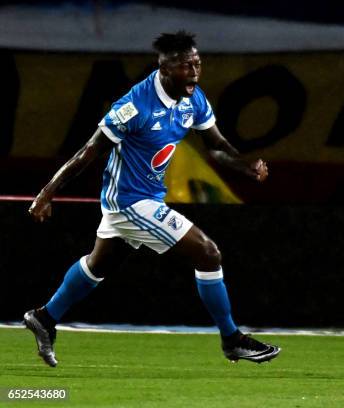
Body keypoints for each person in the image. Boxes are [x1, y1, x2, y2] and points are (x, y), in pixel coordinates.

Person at [24, 31, 280, 367]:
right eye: (187, 66)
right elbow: (88, 152)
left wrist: (244, 164)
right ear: (166, 68)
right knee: (208, 253)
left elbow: (216, 146)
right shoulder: (135, 106)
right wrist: (46, 193)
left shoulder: (194, 98)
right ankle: (232, 338)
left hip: (144, 197)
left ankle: (44, 317)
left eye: (198, 64)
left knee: (100, 264)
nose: (195, 72)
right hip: (130, 201)